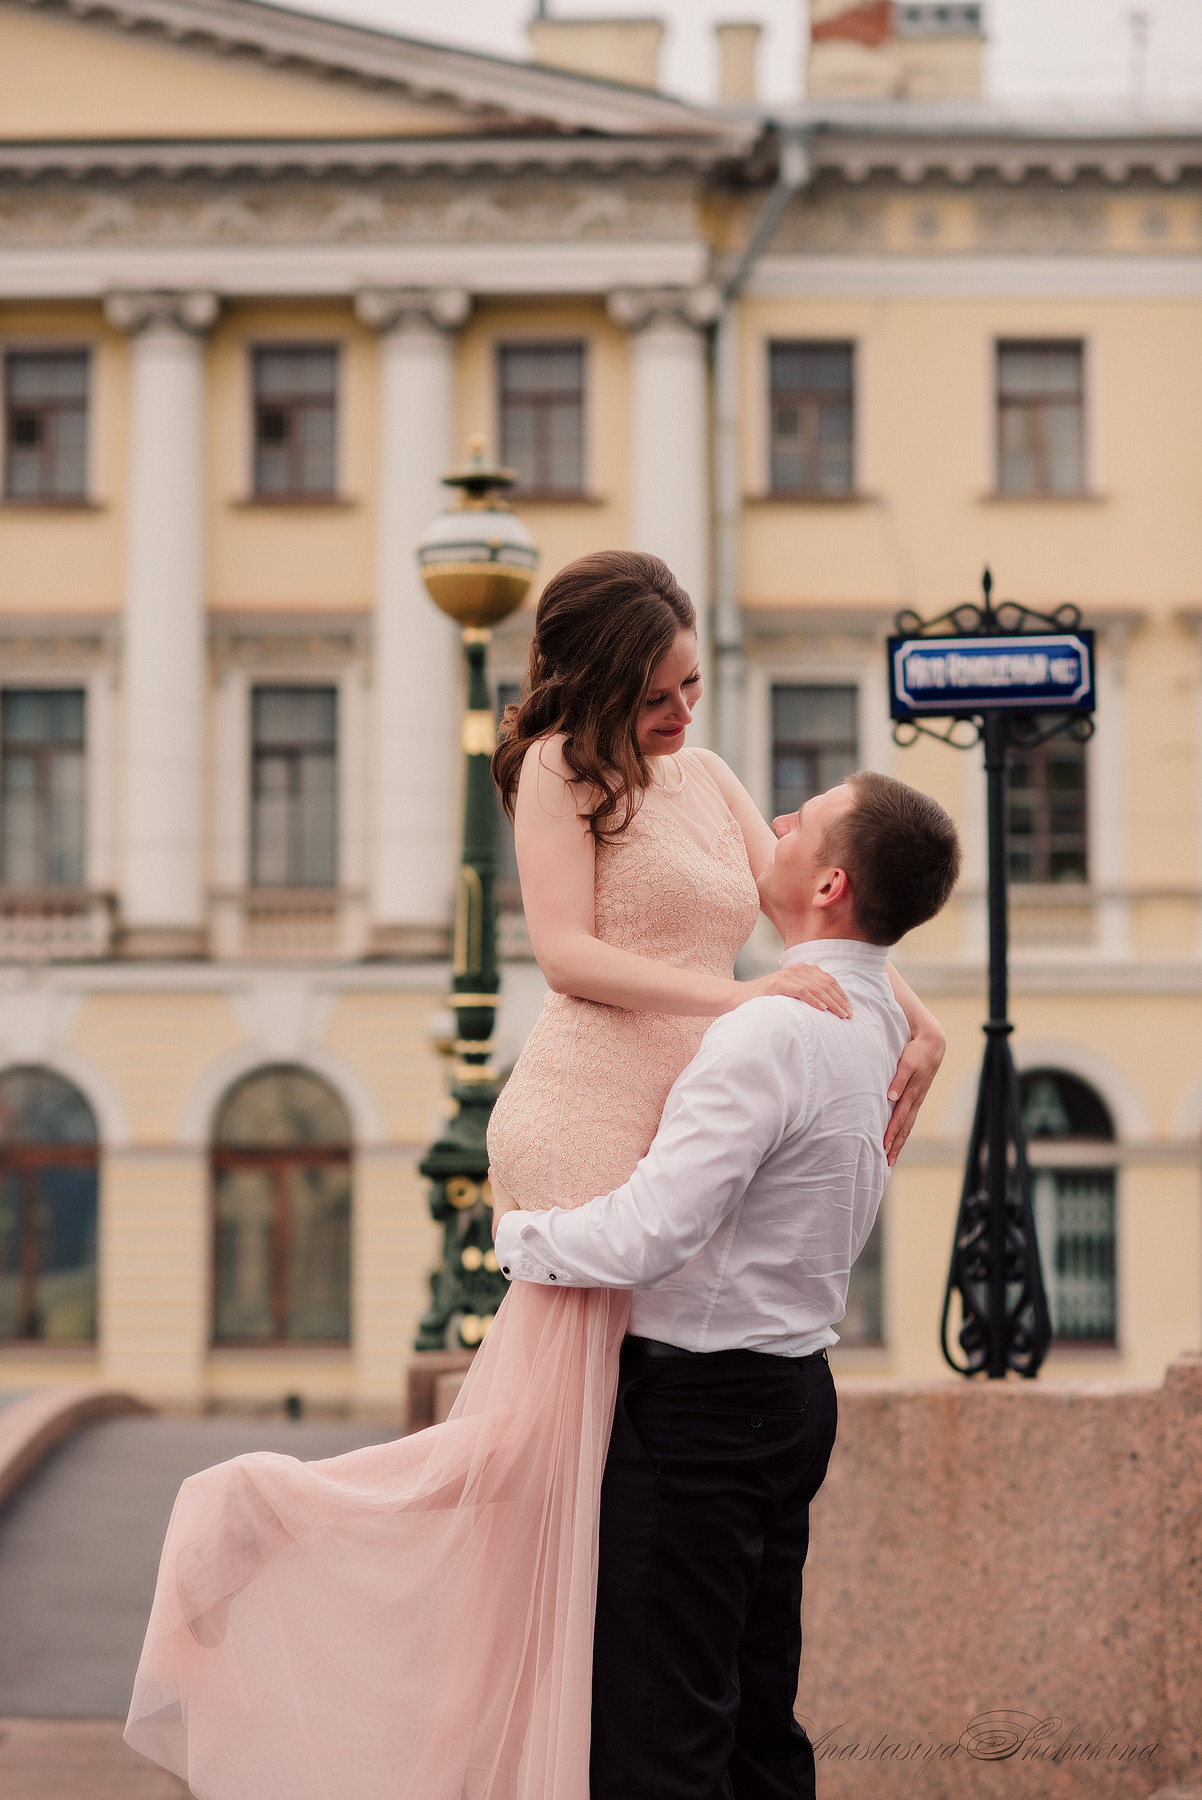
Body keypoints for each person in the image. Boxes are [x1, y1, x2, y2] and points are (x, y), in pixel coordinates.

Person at [124, 552, 945, 1800]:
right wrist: (737, 995)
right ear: (609, 684)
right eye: (665, 691)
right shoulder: (558, 775)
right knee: (541, 1461)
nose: (685, 715)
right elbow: (565, 958)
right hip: (586, 1106)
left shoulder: (709, 777)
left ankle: (573, 1736)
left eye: (693, 684)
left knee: (589, 1481)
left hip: (690, 1103)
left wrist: (911, 1012)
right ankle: (268, 1526)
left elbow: (815, 912)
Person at [491, 769, 962, 1800]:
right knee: (754, 1721)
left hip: (698, 1409)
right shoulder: (883, 1024)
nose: (776, 828)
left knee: (663, 1736)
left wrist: (515, 1234)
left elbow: (652, 1232)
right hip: (790, 1396)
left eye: (803, 822)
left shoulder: (764, 1031)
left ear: (829, 884)